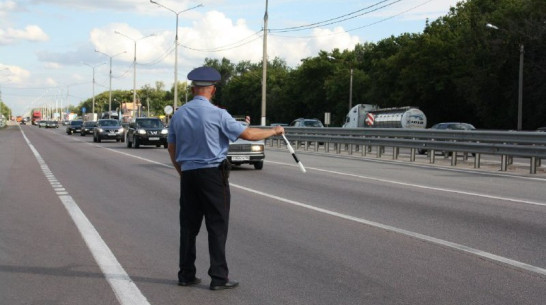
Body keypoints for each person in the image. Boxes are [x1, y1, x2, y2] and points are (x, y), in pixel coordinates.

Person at [167, 66, 284, 291]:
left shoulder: (178, 114)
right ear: (212, 90)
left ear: (193, 89)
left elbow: (172, 149)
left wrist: (182, 172)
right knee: (217, 226)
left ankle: (186, 274)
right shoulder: (218, 114)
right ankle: (219, 277)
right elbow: (249, 135)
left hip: (189, 175)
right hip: (212, 175)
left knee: (188, 227)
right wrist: (274, 131)